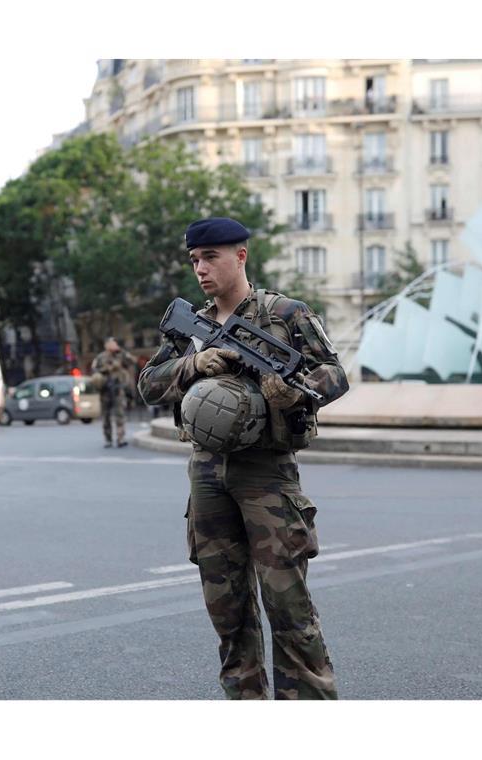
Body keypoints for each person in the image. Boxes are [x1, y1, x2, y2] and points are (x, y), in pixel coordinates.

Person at [138, 216, 350, 700]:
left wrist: (296, 395)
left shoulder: (285, 314)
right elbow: (148, 383)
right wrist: (193, 363)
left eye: (210, 258)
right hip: (207, 475)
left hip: (267, 474)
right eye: (194, 260)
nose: (201, 270)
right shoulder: (191, 325)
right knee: (228, 614)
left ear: (240, 256)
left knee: (289, 611)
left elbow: (334, 375)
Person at [91, 336, 136, 448]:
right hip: (105, 390)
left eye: (114, 343)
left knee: (120, 414)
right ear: (106, 345)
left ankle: (120, 438)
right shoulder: (100, 357)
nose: (113, 345)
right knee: (106, 415)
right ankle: (108, 439)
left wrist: (120, 351)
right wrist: (108, 369)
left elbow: (132, 361)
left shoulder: (121, 355)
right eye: (111, 343)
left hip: (118, 389)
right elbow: (95, 369)